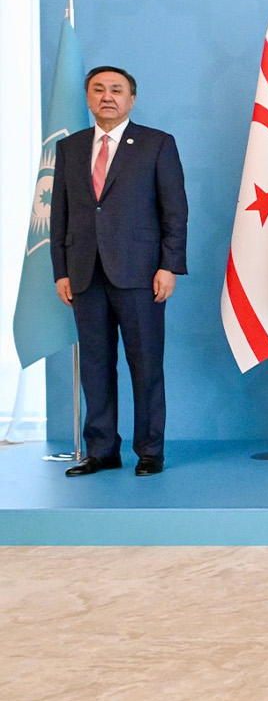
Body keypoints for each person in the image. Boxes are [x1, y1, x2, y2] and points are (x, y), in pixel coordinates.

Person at [51, 65, 188, 477]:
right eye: (98, 90)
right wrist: (61, 270)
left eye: (116, 90)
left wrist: (169, 266)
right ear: (88, 98)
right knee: (95, 365)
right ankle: (102, 450)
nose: (107, 96)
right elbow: (59, 214)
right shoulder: (69, 148)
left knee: (146, 365)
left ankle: (149, 451)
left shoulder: (157, 144)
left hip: (141, 274)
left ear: (131, 99)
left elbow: (174, 211)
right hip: (84, 273)